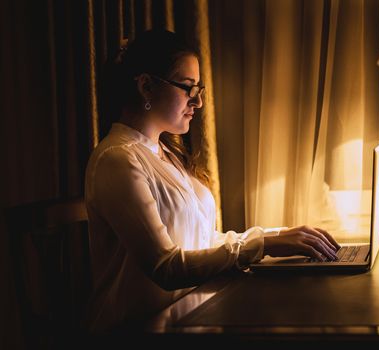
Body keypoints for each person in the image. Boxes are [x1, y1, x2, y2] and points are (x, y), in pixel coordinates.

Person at [84, 29, 340, 332]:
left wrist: (277, 236)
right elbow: (166, 267)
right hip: (140, 329)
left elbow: (202, 243)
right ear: (147, 87)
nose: (199, 102)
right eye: (188, 88)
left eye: (199, 89)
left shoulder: (164, 152)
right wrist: (263, 244)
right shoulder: (117, 160)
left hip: (189, 318)